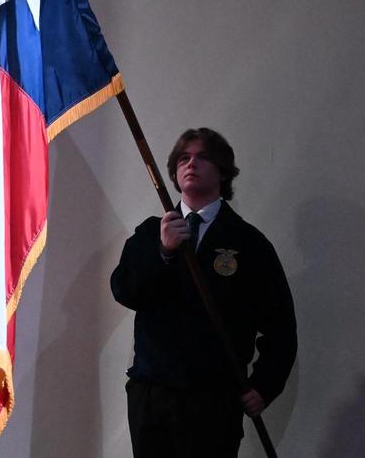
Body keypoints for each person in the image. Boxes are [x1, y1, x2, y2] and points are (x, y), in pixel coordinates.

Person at [111, 127, 297, 458]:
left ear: (222, 171)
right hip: (152, 395)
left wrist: (265, 385)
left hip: (213, 400)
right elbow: (125, 291)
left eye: (203, 157)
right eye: (184, 158)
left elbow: (279, 325)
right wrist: (163, 253)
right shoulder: (151, 233)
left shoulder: (247, 242)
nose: (191, 163)